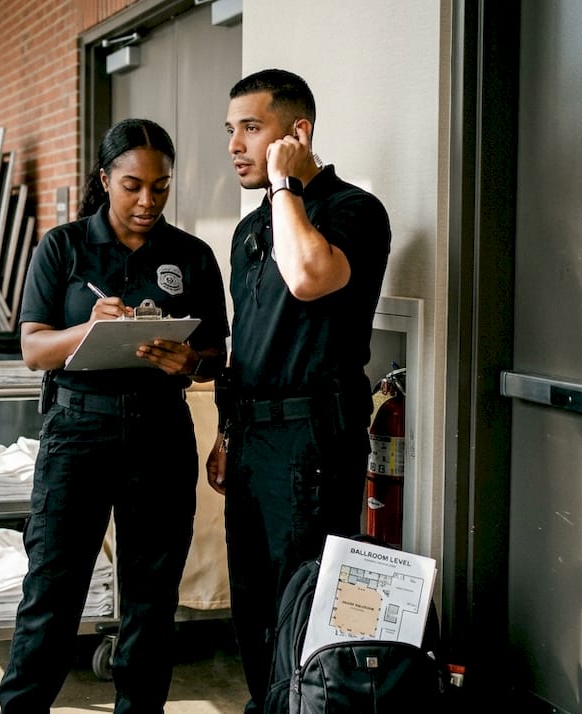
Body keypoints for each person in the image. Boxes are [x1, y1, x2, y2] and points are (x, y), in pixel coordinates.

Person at [0, 118, 229, 712]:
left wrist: (186, 362)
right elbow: (32, 350)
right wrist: (90, 329)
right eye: (132, 185)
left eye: (161, 186)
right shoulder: (64, 246)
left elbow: (214, 357)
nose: (147, 200)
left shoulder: (193, 256)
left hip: (160, 433)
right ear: (105, 180)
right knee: (53, 591)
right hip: (78, 433)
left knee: (152, 601)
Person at [209, 69, 392, 713]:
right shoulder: (249, 230)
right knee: (254, 607)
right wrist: (228, 434)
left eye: (252, 129)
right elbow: (247, 343)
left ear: (298, 132)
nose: (235, 145)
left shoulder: (353, 211)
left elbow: (310, 276)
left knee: (303, 607)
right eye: (230, 130)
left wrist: (288, 186)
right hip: (254, 438)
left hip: (314, 443)